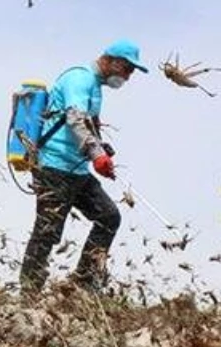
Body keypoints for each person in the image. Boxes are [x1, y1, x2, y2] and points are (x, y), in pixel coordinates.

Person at [19, 39, 148, 296]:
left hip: (76, 170)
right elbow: (75, 118)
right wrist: (96, 154)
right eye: (127, 69)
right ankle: (29, 292)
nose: (128, 76)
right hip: (53, 166)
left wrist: (101, 149)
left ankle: (83, 284)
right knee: (48, 230)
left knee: (109, 217)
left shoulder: (96, 87)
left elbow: (89, 127)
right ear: (112, 60)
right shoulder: (80, 78)